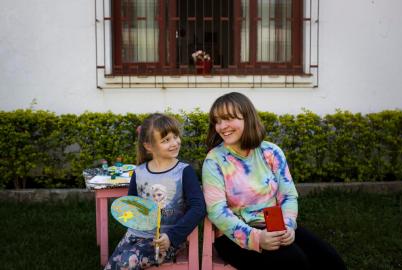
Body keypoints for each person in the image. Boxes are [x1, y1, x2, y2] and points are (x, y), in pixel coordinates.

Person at [202, 92, 346, 270]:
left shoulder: (271, 152)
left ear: (247, 118)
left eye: (228, 119)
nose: (222, 126)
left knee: (330, 260)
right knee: (294, 262)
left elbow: (288, 196)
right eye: (217, 121)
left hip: (275, 224)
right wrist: (256, 239)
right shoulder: (214, 160)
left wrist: (288, 226)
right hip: (234, 237)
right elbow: (217, 211)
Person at [105, 113, 206, 270]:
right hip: (134, 236)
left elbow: (198, 208)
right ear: (149, 146)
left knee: (126, 262)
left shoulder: (184, 172)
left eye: (175, 136)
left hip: (165, 241)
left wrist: (172, 237)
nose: (174, 143)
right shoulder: (139, 172)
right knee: (114, 265)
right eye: (166, 140)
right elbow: (132, 204)